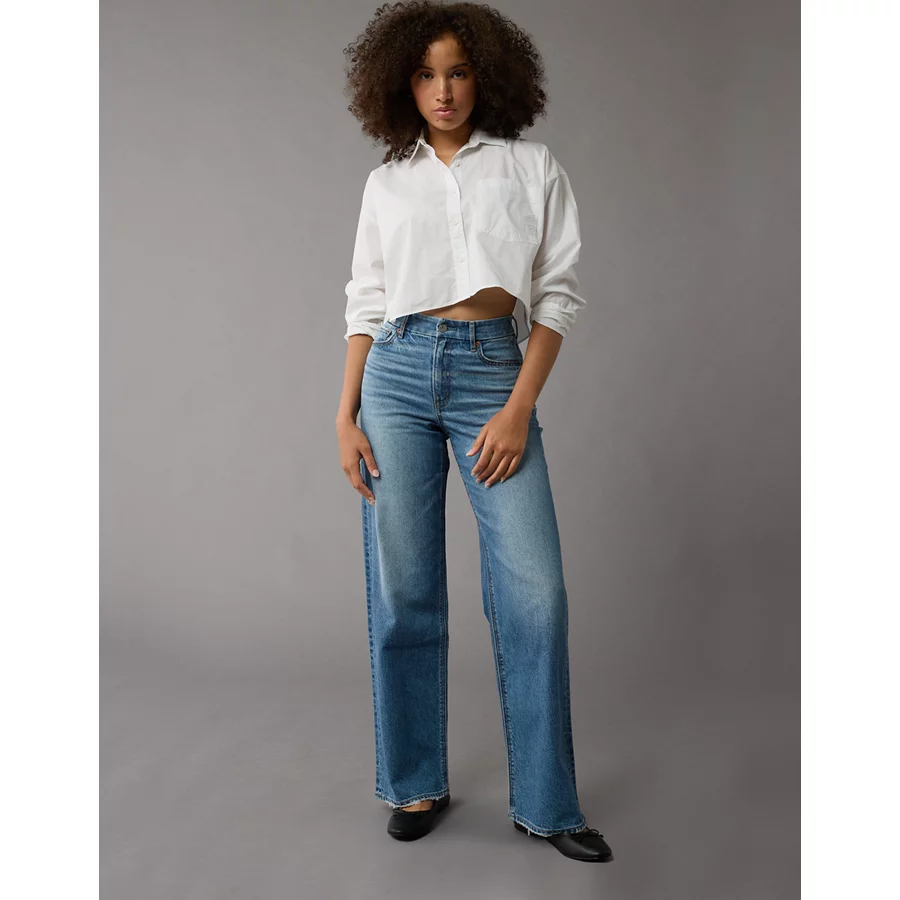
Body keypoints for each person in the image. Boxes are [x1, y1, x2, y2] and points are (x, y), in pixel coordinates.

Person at [335, 1, 613, 863]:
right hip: (396, 377)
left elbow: (557, 292)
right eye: (425, 75)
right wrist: (344, 413)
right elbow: (367, 302)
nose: (443, 90)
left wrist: (520, 405)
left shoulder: (532, 167)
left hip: (496, 372)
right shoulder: (387, 183)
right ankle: (414, 781)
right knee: (404, 589)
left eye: (457, 71)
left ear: (485, 76)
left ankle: (548, 804)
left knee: (536, 592)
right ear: (401, 85)